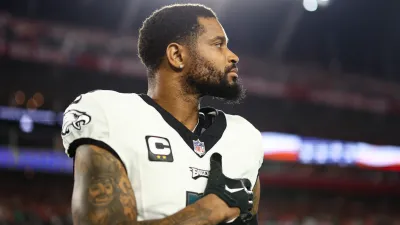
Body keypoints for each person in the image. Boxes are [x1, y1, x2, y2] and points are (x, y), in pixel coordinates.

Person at [61, 3, 264, 225]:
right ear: (177, 55)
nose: (233, 56)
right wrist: (207, 212)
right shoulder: (110, 114)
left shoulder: (244, 137)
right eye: (218, 45)